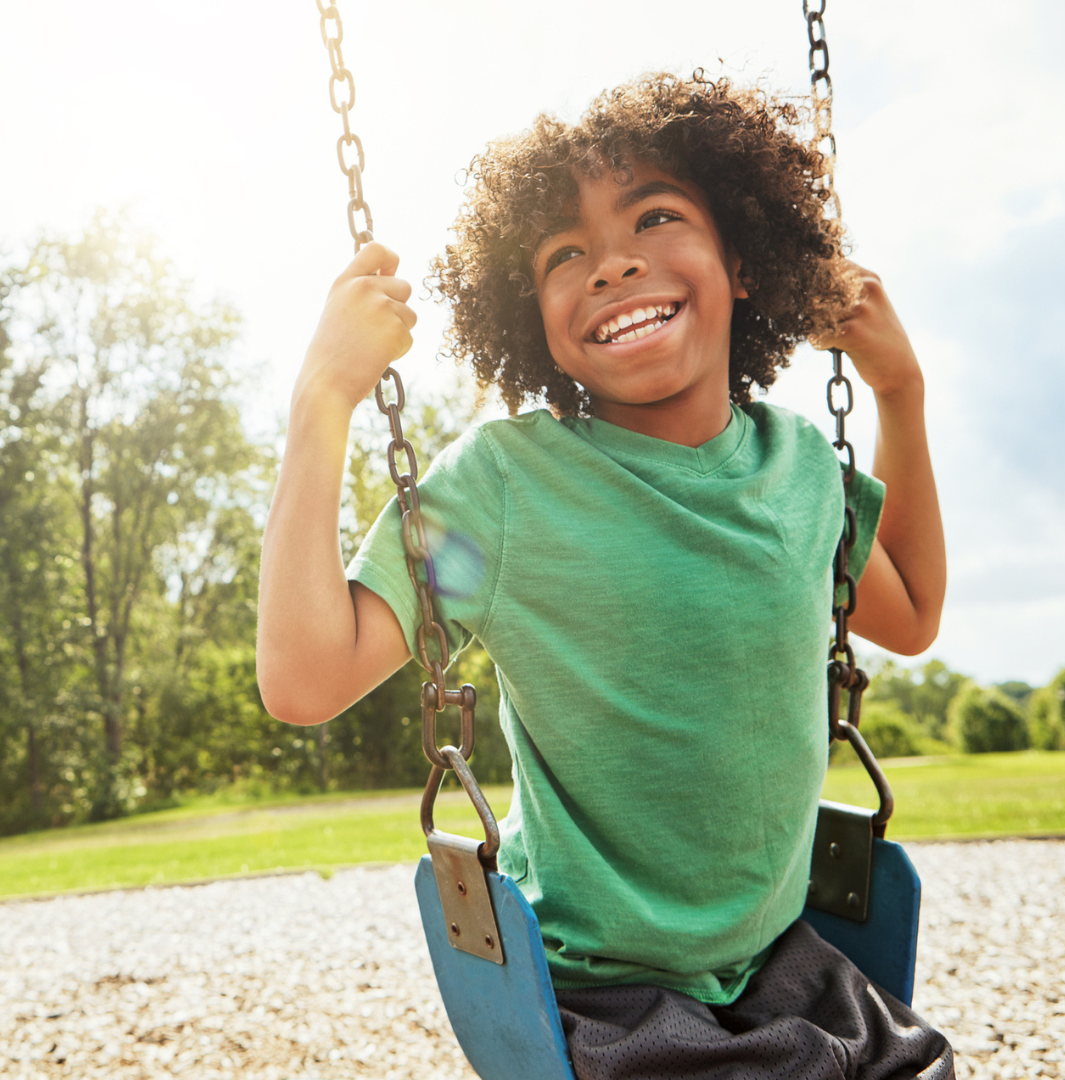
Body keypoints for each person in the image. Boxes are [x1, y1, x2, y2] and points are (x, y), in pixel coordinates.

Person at [257, 72, 952, 1078]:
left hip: (785, 969)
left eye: (656, 216)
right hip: (604, 1000)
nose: (613, 262)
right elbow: (304, 678)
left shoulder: (801, 468)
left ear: (742, 260)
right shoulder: (505, 488)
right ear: (528, 313)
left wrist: (901, 388)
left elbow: (916, 612)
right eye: (562, 254)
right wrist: (323, 400)